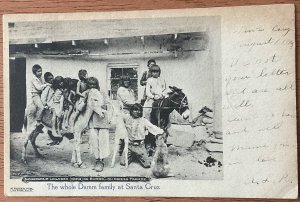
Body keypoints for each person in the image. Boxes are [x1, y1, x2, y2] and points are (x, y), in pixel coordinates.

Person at [119, 103, 164, 168]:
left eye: (139, 110)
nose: (137, 112)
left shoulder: (144, 121)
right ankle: (133, 156)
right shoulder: (127, 118)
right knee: (122, 163)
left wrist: (161, 132)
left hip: (140, 146)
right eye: (135, 110)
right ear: (131, 111)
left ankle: (139, 156)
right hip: (129, 146)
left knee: (147, 165)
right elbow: (119, 115)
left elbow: (152, 127)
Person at [84, 77, 111, 172]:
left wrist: (105, 107)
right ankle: (97, 159)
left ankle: (101, 160)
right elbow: (88, 105)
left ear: (97, 85)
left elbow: (109, 104)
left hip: (102, 119)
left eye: (94, 84)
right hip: (92, 120)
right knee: (94, 140)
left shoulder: (102, 93)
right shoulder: (87, 94)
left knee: (103, 139)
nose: (92, 87)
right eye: (90, 85)